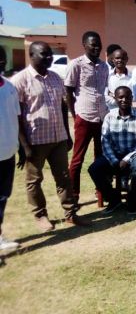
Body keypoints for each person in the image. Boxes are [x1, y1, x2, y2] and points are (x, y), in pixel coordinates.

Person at [13, 42, 88, 231]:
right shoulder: (20, 80)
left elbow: (62, 107)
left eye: (50, 55)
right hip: (35, 140)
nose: (49, 58)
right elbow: (17, 115)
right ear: (31, 55)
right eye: (44, 54)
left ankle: (70, 214)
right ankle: (40, 216)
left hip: (58, 138)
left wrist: (67, 134)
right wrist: (24, 145)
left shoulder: (55, 78)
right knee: (34, 180)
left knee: (63, 178)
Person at [88, 86, 136, 214]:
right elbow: (105, 141)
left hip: (135, 154)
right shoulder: (109, 117)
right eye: (120, 97)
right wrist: (114, 160)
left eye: (127, 97)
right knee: (94, 168)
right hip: (114, 154)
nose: (124, 100)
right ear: (115, 99)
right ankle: (113, 199)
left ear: (132, 98)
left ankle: (133, 201)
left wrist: (126, 160)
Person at [64, 31, 109, 203]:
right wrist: (74, 114)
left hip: (101, 117)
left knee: (101, 158)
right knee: (78, 159)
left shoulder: (104, 66)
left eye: (99, 44)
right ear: (84, 45)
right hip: (84, 116)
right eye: (93, 44)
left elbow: (103, 90)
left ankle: (101, 192)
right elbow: (68, 90)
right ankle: (73, 195)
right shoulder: (76, 64)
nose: (97, 47)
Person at [0, 46, 20, 251]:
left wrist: (20, 148)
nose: (1, 63)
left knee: (3, 196)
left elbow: (16, 118)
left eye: (3, 60)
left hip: (7, 152)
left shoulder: (9, 87)